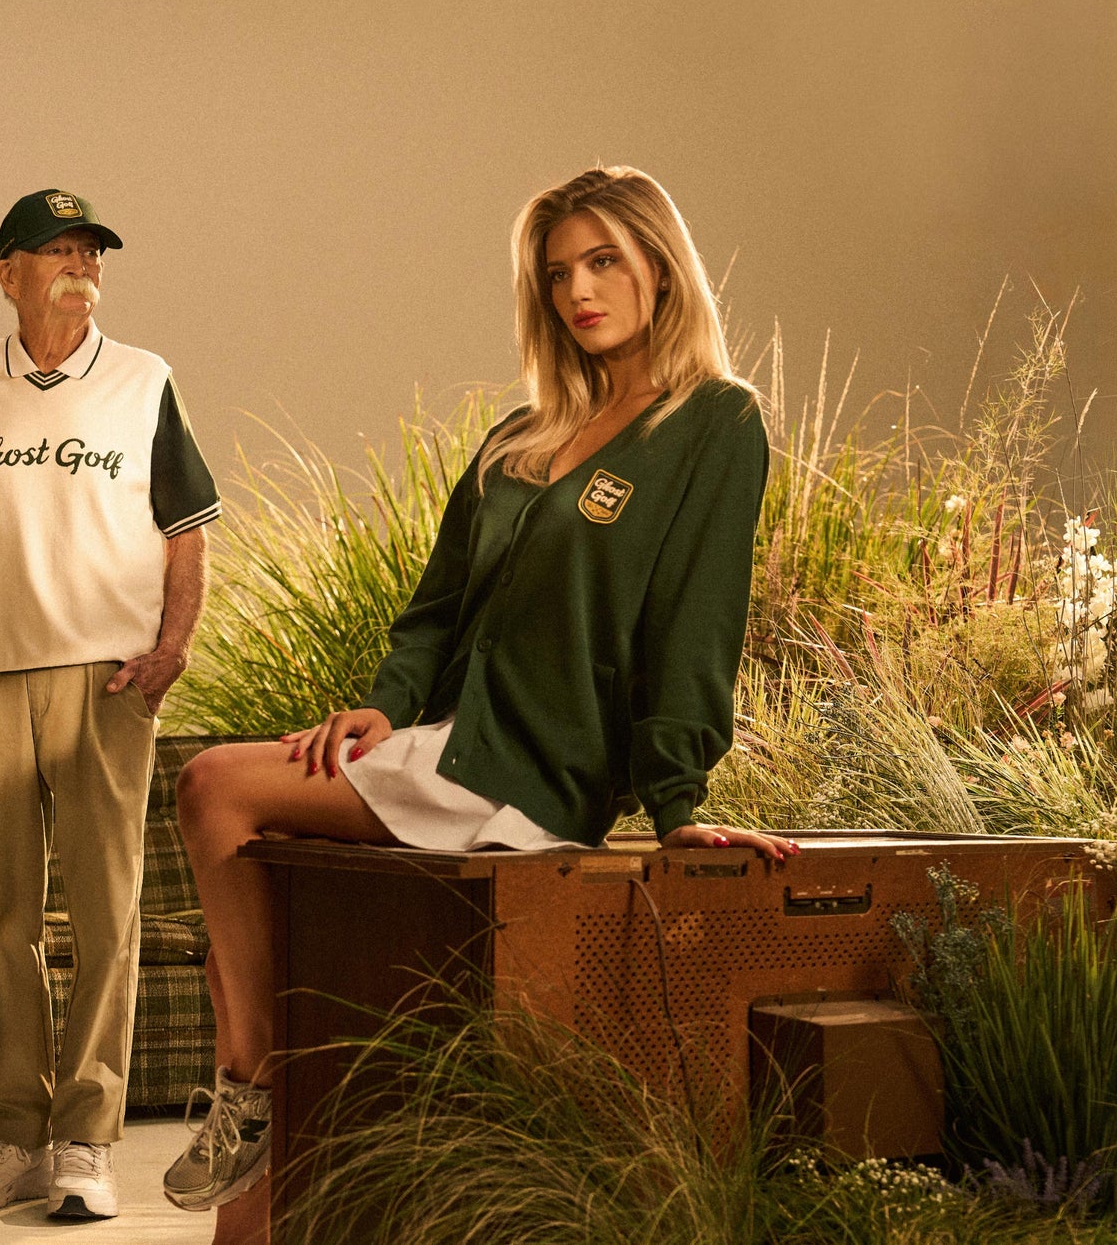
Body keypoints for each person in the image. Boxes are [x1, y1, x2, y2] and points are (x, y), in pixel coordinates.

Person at [161, 166, 790, 1243]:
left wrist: (678, 797)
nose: (579, 291)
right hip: (438, 749)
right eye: (557, 274)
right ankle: (253, 1166)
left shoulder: (714, 424)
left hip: (524, 776)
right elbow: (435, 612)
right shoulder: (521, 436)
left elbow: (697, 622)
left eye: (603, 262)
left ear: (659, 266)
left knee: (215, 784)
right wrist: (380, 709)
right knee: (256, 948)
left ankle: (249, 1083)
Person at [0, 188, 221, 1221]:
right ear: (7, 273)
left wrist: (173, 648)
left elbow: (187, 531)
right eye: (56, 250)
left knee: (108, 917)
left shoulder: (144, 380)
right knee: (3, 919)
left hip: (108, 680)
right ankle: (12, 1137)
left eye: (90, 251)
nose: (79, 265)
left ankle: (87, 1142)